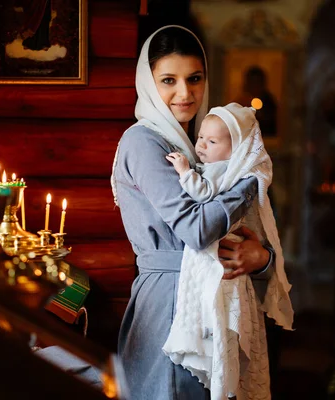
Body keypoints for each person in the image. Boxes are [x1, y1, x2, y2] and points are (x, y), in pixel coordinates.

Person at [110, 25, 275, 400]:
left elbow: (253, 234)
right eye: (169, 80)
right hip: (170, 300)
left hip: (216, 296)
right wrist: (250, 182)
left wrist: (261, 258)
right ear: (148, 83)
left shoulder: (204, 145)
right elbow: (197, 230)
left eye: (194, 79)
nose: (185, 93)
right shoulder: (143, 141)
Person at [162, 103, 293, 399]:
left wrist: (184, 171)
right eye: (201, 138)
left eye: (212, 141)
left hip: (223, 265)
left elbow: (204, 195)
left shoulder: (229, 174)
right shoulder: (221, 171)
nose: (201, 145)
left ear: (237, 150)